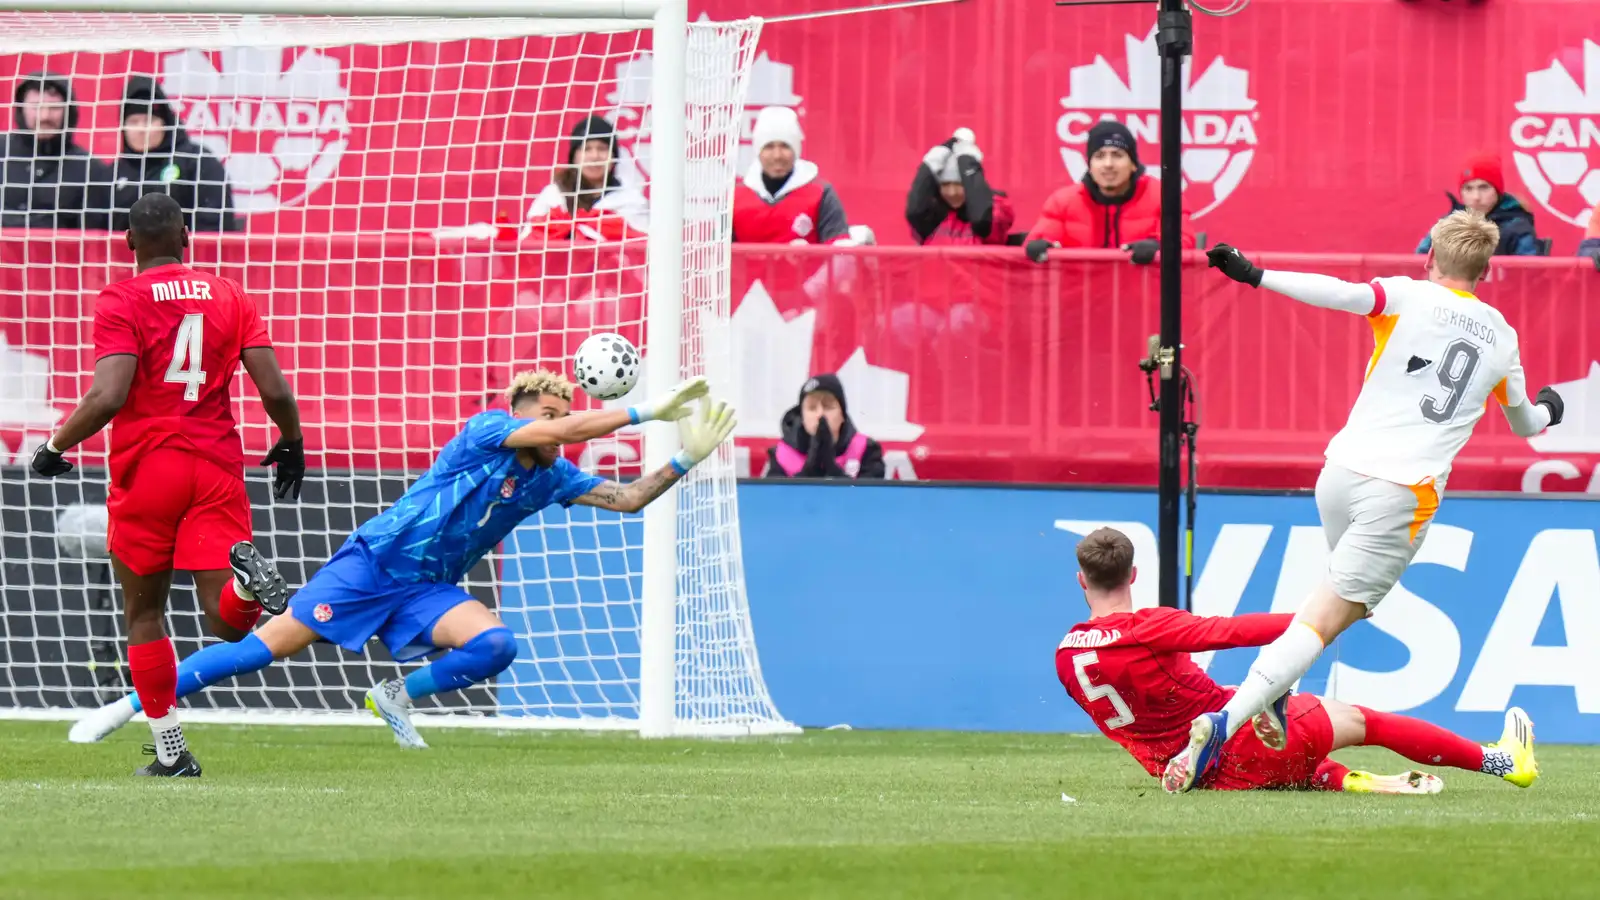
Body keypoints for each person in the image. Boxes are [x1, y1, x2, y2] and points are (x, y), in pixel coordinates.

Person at [69, 372, 737, 752]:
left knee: (497, 646)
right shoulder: (486, 432)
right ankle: (129, 705)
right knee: (256, 653)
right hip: (372, 567)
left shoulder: (551, 477)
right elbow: (562, 432)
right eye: (549, 413)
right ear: (521, 415)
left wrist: (686, 458)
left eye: (566, 413)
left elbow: (628, 499)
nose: (560, 425)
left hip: (427, 587)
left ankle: (395, 695)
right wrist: (645, 411)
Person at [1166, 210, 1565, 793]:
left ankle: (1278, 693)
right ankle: (1225, 722)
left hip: (1340, 474)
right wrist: (1552, 409)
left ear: (1430, 258)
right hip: (1401, 493)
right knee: (1326, 620)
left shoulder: (1405, 296)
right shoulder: (1501, 338)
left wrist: (1256, 275)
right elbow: (1526, 423)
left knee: (1336, 608)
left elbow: (1337, 293)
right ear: (1486, 270)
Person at [30, 193, 304, 777]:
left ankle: (171, 753)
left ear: (129, 241)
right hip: (215, 466)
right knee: (228, 624)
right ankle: (247, 585)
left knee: (144, 615)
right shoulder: (230, 294)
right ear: (186, 238)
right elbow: (275, 389)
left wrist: (54, 447)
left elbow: (109, 394)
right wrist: (292, 440)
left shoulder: (121, 298)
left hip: (147, 469)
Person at [1059, 528, 1537, 794]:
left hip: (1204, 776)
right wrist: (1323, 618)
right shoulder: (1146, 627)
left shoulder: (1066, 655)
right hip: (1239, 742)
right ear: (1133, 574)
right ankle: (1500, 761)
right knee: (1364, 722)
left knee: (1292, 751)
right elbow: (1226, 632)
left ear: (1082, 580)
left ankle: (1353, 782)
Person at [1024, 120, 1192, 265]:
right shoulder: (1062, 202)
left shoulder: (1164, 197)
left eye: (1117, 155)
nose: (1108, 164)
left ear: (1134, 164)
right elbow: (1036, 242)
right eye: (1099, 156)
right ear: (1089, 165)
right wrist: (1041, 245)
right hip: (1081, 291)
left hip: (1145, 290)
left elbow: (1182, 242)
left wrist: (1158, 247)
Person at [111, 75, 239, 234]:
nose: (141, 129)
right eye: (133, 122)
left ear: (166, 122)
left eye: (149, 120)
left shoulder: (198, 162)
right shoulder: (113, 174)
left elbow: (214, 227)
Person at [1, 72, 114, 230]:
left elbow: (93, 233)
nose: (44, 116)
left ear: (68, 111)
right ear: (22, 109)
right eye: (36, 106)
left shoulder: (90, 169)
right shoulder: (2, 151)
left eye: (54, 107)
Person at [732, 106, 855, 245]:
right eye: (769, 147)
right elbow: (718, 253)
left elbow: (837, 249)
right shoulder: (735, 197)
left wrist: (808, 255)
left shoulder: (821, 193)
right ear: (758, 151)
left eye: (785, 146)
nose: (777, 156)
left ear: (796, 149)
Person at [521, 115, 648, 242]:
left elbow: (642, 246)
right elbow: (528, 242)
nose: (595, 156)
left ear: (614, 156)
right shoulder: (552, 195)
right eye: (586, 149)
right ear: (574, 157)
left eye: (602, 149)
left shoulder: (631, 199)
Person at [1415, 152, 1539, 257]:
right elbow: (1420, 261)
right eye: (1468, 189)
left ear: (1498, 191)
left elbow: (1528, 272)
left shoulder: (1517, 227)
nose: (1476, 197)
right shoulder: (1446, 224)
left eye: (1484, 187)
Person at [764, 373, 885, 479]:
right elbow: (778, 496)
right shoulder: (782, 455)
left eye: (828, 406)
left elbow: (870, 496)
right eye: (812, 408)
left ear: (842, 415)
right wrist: (808, 472)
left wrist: (833, 470)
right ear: (802, 417)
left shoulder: (866, 450)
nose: (820, 414)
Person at [905, 128, 1013, 245]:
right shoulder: (933, 217)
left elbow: (982, 220)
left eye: (959, 184)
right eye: (945, 185)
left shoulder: (995, 209)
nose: (952, 192)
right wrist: (929, 164)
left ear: (971, 183)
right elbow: (914, 213)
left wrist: (968, 161)